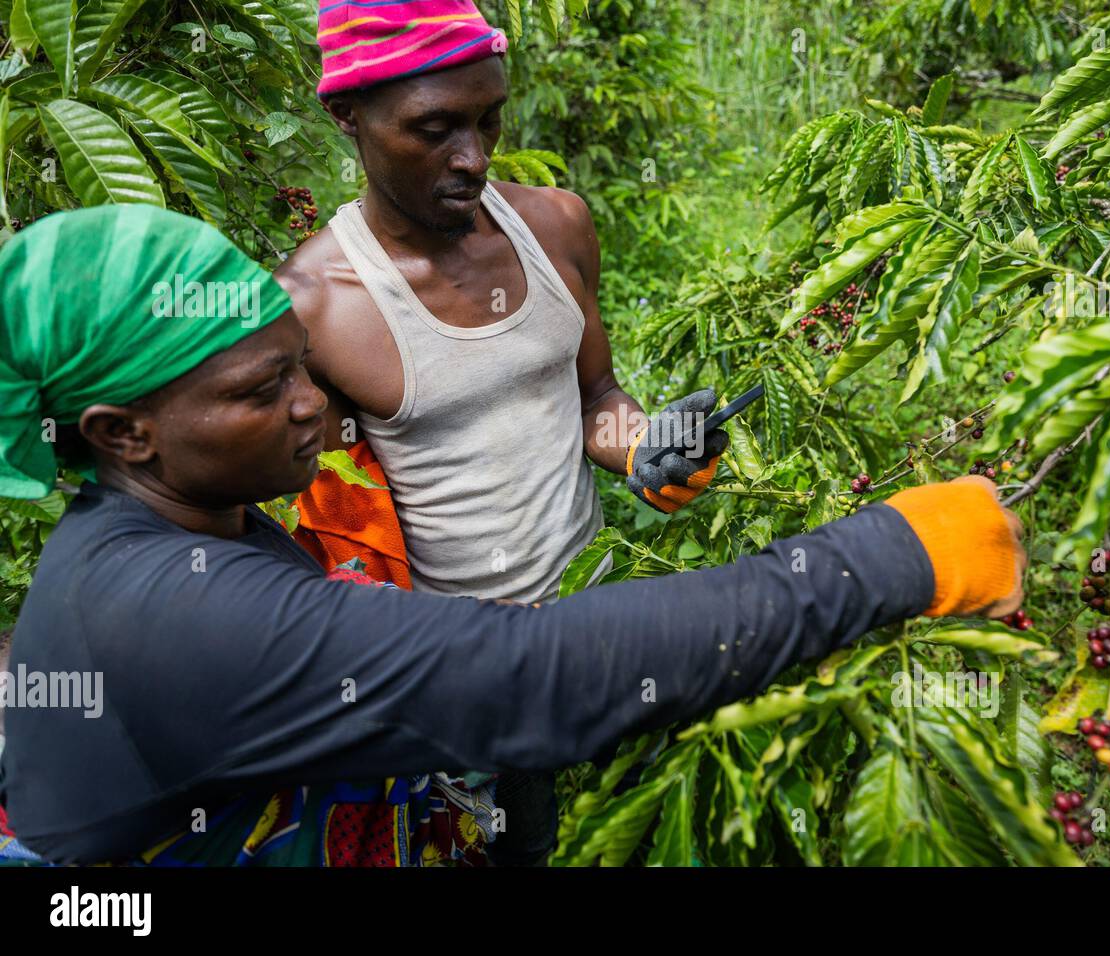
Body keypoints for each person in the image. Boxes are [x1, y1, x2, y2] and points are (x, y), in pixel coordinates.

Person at [0, 206, 1025, 866]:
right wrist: (889, 554)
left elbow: (587, 410)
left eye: (300, 366)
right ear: (122, 433)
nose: (314, 406)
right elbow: (533, 676)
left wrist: (637, 451)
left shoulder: (190, 516)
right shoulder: (168, 606)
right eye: (263, 390)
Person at [276, 0, 731, 864]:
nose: (474, 158)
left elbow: (598, 394)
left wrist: (646, 446)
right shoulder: (316, 305)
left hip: (601, 622)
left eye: (489, 120)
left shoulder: (556, 224)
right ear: (347, 116)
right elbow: (340, 527)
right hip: (459, 674)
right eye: (436, 129)